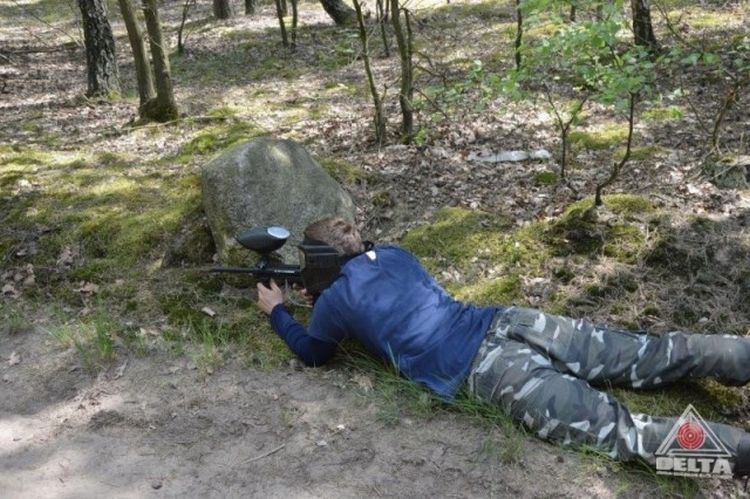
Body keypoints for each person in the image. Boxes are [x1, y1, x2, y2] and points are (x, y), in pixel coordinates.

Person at [256, 217, 750, 479]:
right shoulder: (394, 254)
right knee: (651, 353)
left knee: (623, 434)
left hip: (490, 371)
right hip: (513, 321)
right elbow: (384, 296)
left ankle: (738, 456)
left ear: (320, 261)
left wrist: (279, 310)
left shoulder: (335, 301)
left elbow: (314, 352)